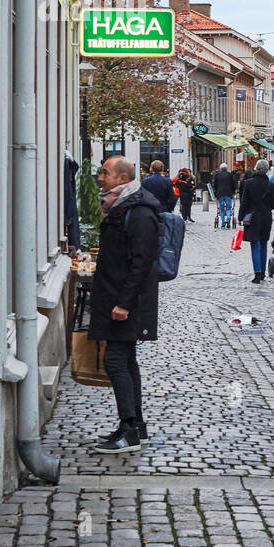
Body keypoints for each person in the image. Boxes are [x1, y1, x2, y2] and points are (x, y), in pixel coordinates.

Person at [90, 158, 162, 454]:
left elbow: (141, 262)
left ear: (121, 179)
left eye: (105, 173)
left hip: (126, 302)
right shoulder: (122, 205)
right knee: (127, 361)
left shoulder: (139, 211)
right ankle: (134, 426)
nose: (99, 178)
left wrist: (123, 304)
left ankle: (130, 430)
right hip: (116, 297)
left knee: (116, 362)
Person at [239, 159, 274, 284]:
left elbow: (244, 202)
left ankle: (257, 273)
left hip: (253, 217)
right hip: (266, 217)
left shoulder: (248, 183)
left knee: (255, 245)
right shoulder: (270, 184)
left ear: (256, 168)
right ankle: (262, 273)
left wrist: (240, 217)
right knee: (263, 244)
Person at [212, 163, 236, 228]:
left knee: (221, 208)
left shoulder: (217, 175)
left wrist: (216, 192)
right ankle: (228, 217)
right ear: (226, 168)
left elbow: (215, 185)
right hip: (228, 193)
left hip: (220, 194)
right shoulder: (230, 175)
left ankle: (223, 222)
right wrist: (233, 192)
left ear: (220, 168)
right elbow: (233, 184)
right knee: (228, 207)